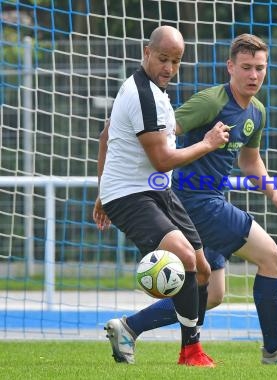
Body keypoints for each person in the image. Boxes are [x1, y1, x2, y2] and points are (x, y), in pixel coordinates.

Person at [102, 34, 277, 365]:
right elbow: (164, 131)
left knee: (212, 293)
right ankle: (275, 350)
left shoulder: (257, 112)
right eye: (246, 67)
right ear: (230, 67)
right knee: (273, 258)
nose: (253, 75)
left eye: (259, 68)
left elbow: (250, 161)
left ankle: (130, 327)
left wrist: (274, 193)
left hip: (204, 202)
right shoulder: (211, 101)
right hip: (194, 202)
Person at [93, 25, 232, 367]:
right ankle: (191, 353)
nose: (169, 67)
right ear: (146, 52)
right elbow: (162, 160)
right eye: (163, 58)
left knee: (202, 270)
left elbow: (105, 138)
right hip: (131, 195)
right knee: (184, 257)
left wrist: (100, 190)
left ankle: (132, 330)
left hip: (157, 190)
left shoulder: (155, 92)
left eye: (176, 60)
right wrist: (207, 143)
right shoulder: (141, 93)